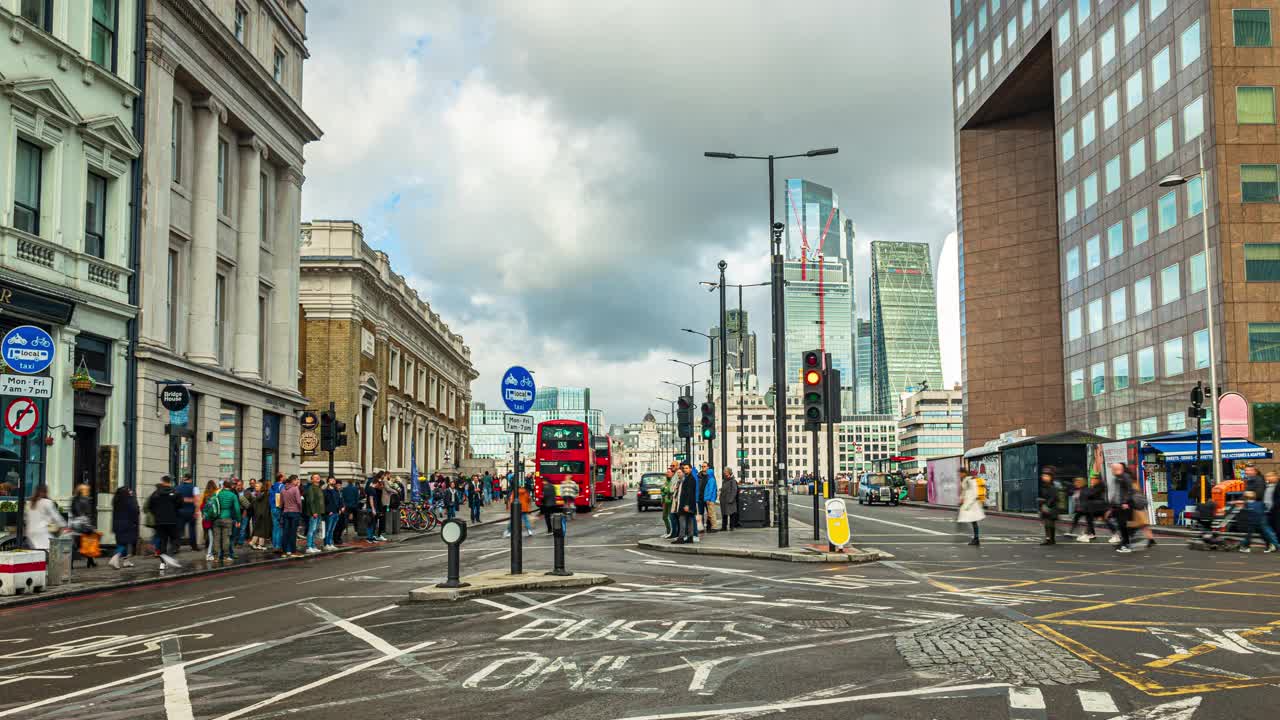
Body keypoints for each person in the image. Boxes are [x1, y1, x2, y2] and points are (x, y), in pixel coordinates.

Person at [146, 477, 183, 569]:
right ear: (170, 482)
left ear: (162, 482)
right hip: (172, 520)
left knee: (162, 541)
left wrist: (157, 514)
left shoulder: (156, 493)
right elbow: (180, 505)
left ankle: (162, 563)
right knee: (175, 540)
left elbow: (150, 506)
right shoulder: (175, 493)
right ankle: (169, 556)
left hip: (159, 521)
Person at [23, 485, 66, 552]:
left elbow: (25, 518)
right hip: (42, 531)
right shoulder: (47, 502)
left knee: (36, 553)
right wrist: (63, 525)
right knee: (51, 551)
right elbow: (55, 516)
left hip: (30, 532)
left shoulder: (29, 503)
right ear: (46, 492)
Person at [108, 486, 140, 569]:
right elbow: (135, 510)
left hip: (117, 524)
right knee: (125, 543)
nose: (131, 492)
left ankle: (126, 561)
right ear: (126, 492)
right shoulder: (129, 500)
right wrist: (133, 499)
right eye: (129, 490)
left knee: (121, 542)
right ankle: (114, 558)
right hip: (128, 524)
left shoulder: (116, 500)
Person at [70, 483, 98, 568]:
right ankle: (90, 561)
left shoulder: (75, 499)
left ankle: (89, 561)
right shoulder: (84, 500)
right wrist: (89, 525)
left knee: (79, 543)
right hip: (82, 524)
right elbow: (84, 513)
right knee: (88, 542)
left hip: (76, 524)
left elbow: (73, 511)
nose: (88, 491)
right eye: (86, 490)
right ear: (82, 491)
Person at [1109, 463, 1136, 550]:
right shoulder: (1117, 478)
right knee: (1120, 525)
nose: (1111, 470)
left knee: (1123, 524)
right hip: (1118, 505)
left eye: (1113, 468)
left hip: (1124, 505)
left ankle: (1126, 543)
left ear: (1118, 469)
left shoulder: (1125, 477)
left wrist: (1125, 502)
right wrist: (1112, 504)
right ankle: (1124, 542)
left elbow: (1130, 490)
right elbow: (1116, 492)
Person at [957, 468, 984, 546]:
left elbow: (970, 491)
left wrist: (965, 501)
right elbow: (964, 491)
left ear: (964, 473)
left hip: (971, 504)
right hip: (970, 503)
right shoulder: (966, 479)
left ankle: (976, 539)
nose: (959, 475)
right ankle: (976, 538)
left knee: (973, 521)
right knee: (972, 521)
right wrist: (962, 499)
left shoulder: (968, 480)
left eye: (960, 473)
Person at [279, 475, 303, 557]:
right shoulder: (295, 489)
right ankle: (293, 551)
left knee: (285, 532)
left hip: (285, 512)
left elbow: (281, 503)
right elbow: (299, 502)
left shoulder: (283, 489)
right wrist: (300, 510)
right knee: (293, 532)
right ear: (293, 480)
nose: (297, 482)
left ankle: (284, 552)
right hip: (294, 512)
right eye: (297, 480)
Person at [175, 473, 199, 550]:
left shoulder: (177, 488)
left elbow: (176, 500)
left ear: (184, 479)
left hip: (180, 511)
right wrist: (196, 511)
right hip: (191, 511)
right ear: (191, 479)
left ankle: (176, 547)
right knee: (192, 529)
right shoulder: (195, 488)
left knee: (178, 530)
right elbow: (197, 500)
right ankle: (194, 546)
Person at [303, 474, 325, 554]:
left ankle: (313, 545)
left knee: (315, 530)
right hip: (314, 513)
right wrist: (314, 512)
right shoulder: (311, 488)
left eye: (318, 477)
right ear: (312, 480)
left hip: (319, 512)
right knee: (311, 530)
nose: (318, 478)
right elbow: (310, 501)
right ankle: (309, 546)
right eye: (315, 477)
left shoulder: (319, 488)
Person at [1037, 468, 1060, 545]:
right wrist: (1041, 501)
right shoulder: (1044, 486)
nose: (1044, 477)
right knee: (1048, 524)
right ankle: (1051, 539)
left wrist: (1047, 505)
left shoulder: (1053, 487)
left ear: (1050, 477)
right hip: (1046, 507)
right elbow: (1044, 497)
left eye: (1046, 476)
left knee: (1049, 523)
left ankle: (1049, 539)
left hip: (1051, 508)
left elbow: (1054, 497)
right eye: (1043, 476)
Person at [198, 480, 219, 561]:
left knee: (210, 537)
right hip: (214, 519)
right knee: (214, 538)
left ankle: (210, 552)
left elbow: (201, 507)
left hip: (206, 520)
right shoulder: (216, 494)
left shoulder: (204, 495)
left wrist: (204, 514)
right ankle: (210, 553)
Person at [250, 479, 273, 550]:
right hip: (262, 514)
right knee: (261, 529)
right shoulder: (264, 494)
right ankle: (255, 543)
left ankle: (259, 544)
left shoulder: (258, 494)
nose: (256, 487)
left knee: (260, 529)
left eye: (257, 486)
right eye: (256, 486)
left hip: (259, 513)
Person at [365, 475, 388, 542]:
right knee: (370, 523)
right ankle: (369, 538)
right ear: (376, 483)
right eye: (378, 484)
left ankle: (371, 537)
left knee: (373, 523)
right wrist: (373, 509)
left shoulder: (372, 489)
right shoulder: (371, 489)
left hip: (372, 508)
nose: (379, 486)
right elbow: (371, 499)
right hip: (371, 508)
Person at [339, 478, 360, 545]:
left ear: (348, 482)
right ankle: (356, 530)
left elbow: (343, 497)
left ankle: (345, 529)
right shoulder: (355, 489)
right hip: (354, 505)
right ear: (352, 482)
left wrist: (344, 504)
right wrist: (356, 504)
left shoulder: (344, 489)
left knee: (346, 518)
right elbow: (357, 497)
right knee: (355, 518)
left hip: (347, 505)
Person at [323, 477, 341, 551]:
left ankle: (330, 543)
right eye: (331, 480)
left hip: (336, 512)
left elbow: (339, 500)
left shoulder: (336, 490)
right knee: (328, 529)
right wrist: (328, 511)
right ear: (327, 482)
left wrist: (340, 508)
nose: (333, 480)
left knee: (332, 529)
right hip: (330, 513)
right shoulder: (325, 491)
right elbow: (324, 502)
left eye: (334, 480)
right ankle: (326, 544)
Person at [269, 473, 286, 550]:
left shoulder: (273, 486)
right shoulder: (281, 486)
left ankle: (274, 544)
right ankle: (278, 546)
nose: (285, 477)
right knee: (279, 527)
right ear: (281, 478)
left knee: (275, 527)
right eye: (284, 476)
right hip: (278, 508)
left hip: (272, 507)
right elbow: (282, 496)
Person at [720, 467, 739, 532]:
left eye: (725, 471)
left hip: (730, 500)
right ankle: (724, 527)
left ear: (728, 472)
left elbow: (734, 490)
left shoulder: (732, 481)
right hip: (724, 500)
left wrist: (731, 499)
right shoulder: (724, 480)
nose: (724, 472)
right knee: (724, 514)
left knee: (731, 514)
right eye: (724, 471)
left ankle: (732, 526)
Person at [660, 464, 676, 538]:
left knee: (670, 517)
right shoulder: (666, 481)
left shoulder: (673, 480)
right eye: (667, 472)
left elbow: (669, 490)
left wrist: (665, 490)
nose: (667, 473)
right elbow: (662, 490)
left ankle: (672, 532)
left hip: (670, 501)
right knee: (664, 517)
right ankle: (668, 531)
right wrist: (662, 501)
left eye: (669, 472)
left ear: (672, 473)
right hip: (665, 501)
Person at [703, 464, 719, 532]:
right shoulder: (711, 479)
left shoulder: (711, 480)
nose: (706, 474)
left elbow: (710, 490)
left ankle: (714, 527)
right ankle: (712, 527)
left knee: (712, 514)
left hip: (710, 500)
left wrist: (708, 499)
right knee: (710, 514)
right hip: (710, 499)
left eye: (707, 473)